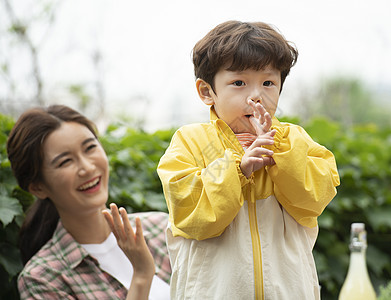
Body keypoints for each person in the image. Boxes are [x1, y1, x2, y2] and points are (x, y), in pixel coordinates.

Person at [157, 20, 340, 299]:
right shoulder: (189, 141)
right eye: (239, 83)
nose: (256, 95)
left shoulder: (294, 140)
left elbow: (314, 198)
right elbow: (191, 214)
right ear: (207, 91)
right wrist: (237, 170)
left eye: (268, 82)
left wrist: (280, 152)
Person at [7, 105, 171, 299]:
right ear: (37, 187)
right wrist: (142, 277)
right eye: (65, 161)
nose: (87, 167)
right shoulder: (42, 279)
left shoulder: (161, 228)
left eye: (90, 148)